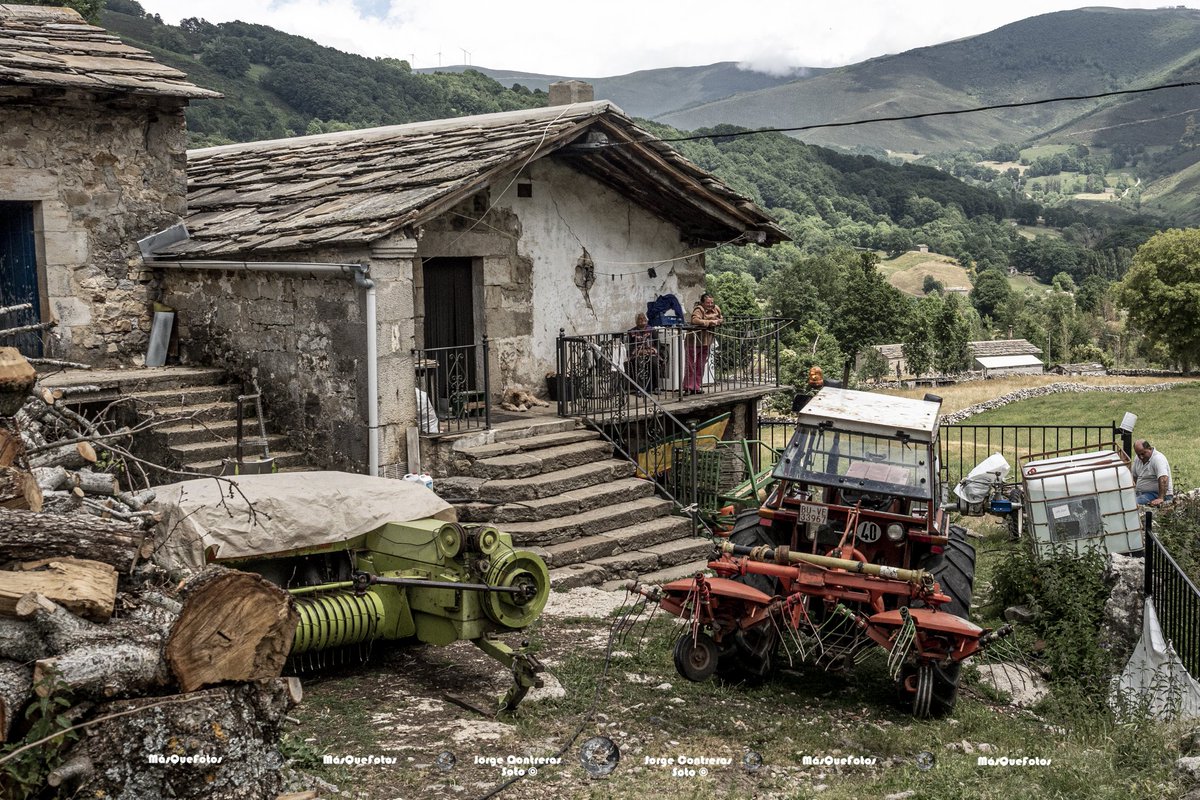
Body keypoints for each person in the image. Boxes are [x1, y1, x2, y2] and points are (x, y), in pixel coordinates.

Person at [684, 293, 722, 395]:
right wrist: (709, 322)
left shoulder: (716, 309)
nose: (710, 304)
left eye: (711, 302)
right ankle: (688, 387)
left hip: (706, 341)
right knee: (691, 364)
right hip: (694, 340)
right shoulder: (699, 309)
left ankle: (696, 386)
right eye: (708, 302)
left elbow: (721, 318)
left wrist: (718, 321)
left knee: (701, 365)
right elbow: (695, 320)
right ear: (702, 302)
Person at [1132, 439, 1173, 507]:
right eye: (1138, 454)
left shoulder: (1158, 459)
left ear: (1149, 448)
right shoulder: (1137, 459)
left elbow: (1164, 479)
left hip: (1156, 494)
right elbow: (1134, 477)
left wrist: (1160, 498)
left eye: (1143, 453)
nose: (1141, 457)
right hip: (1141, 493)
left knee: (1132, 503)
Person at [626, 312, 660, 392]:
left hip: (650, 353)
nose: (642, 320)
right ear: (636, 321)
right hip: (638, 353)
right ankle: (640, 389)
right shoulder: (631, 332)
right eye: (640, 319)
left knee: (654, 363)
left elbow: (658, 344)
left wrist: (652, 350)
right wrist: (639, 351)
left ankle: (656, 387)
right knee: (637, 363)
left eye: (644, 318)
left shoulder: (652, 330)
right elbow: (629, 346)